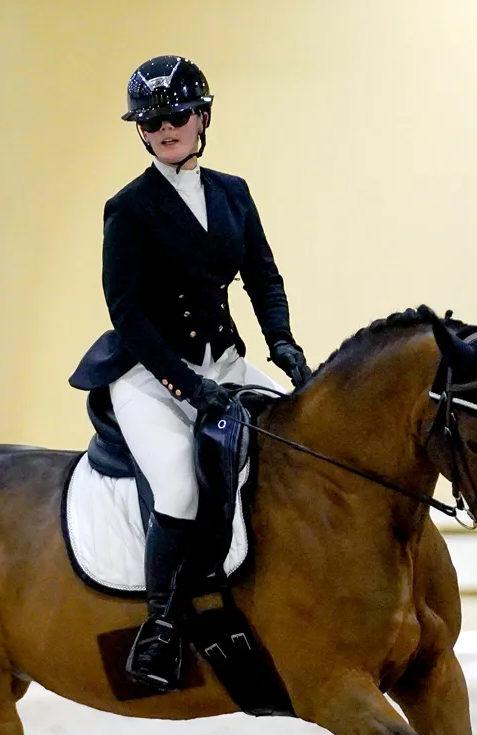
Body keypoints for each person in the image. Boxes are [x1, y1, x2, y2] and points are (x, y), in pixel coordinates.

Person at [69, 54, 311, 693]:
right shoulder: (128, 208)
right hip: (151, 374)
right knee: (178, 486)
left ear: (203, 116)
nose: (165, 128)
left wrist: (282, 345)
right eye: (150, 121)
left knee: (300, 442)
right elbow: (128, 312)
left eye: (177, 115)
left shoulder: (233, 193)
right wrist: (186, 384)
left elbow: (263, 276)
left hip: (225, 361)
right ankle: (161, 628)